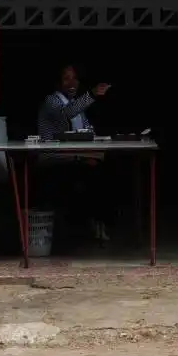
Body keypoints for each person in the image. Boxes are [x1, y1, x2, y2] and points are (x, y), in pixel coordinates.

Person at [36, 64, 113, 243]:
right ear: (57, 83)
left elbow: (87, 129)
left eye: (75, 78)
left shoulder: (75, 104)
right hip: (53, 158)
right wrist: (92, 94)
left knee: (104, 168)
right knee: (92, 174)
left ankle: (100, 222)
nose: (72, 83)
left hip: (74, 157)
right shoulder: (52, 101)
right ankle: (91, 224)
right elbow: (67, 114)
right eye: (66, 78)